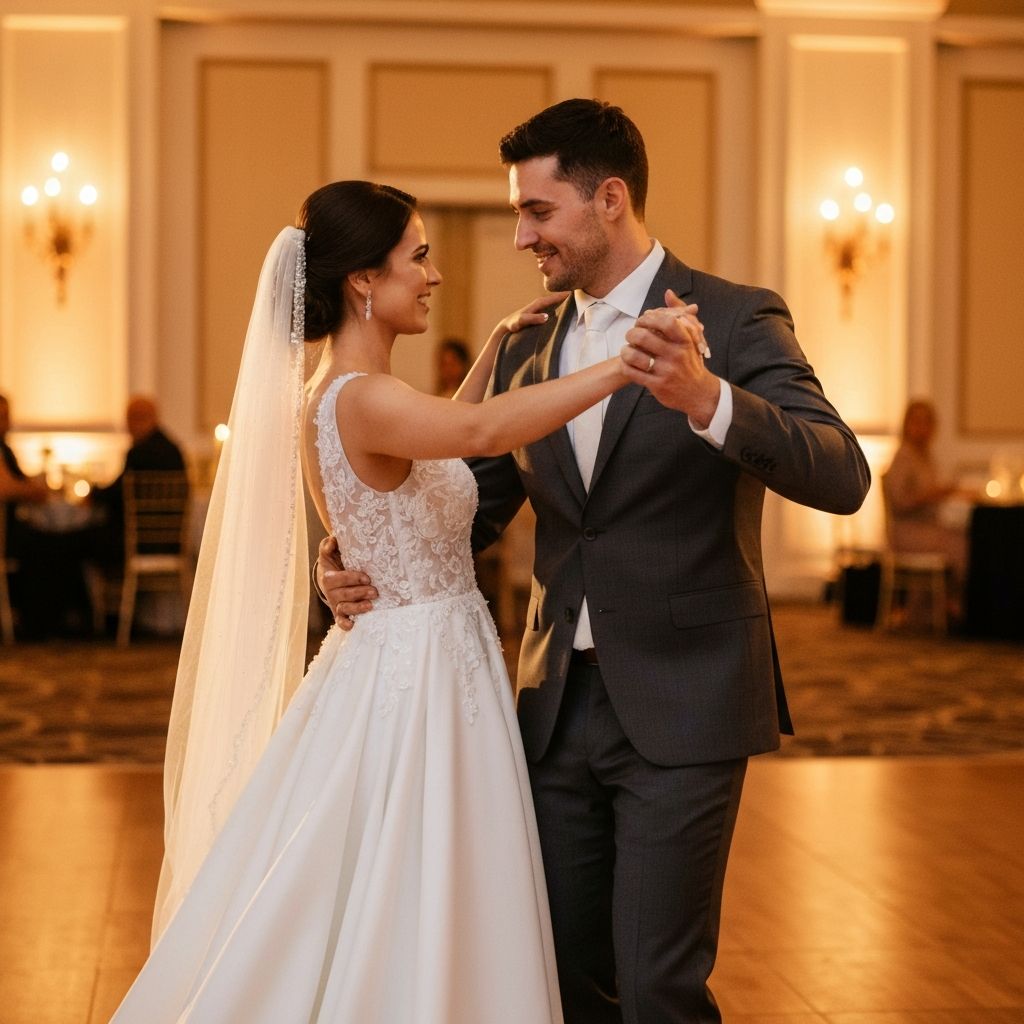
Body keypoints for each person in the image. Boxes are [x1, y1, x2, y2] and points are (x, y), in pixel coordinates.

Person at [319, 99, 871, 1023]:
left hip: (686, 697)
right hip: (547, 710)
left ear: (610, 198)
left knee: (658, 982)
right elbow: (464, 505)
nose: (521, 236)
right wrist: (350, 552)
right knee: (554, 969)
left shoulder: (735, 318)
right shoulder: (530, 341)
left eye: (538, 212)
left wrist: (709, 400)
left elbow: (844, 472)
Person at [111, 180, 638, 1023]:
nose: (433, 277)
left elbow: (431, 455)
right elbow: (474, 438)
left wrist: (492, 348)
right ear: (363, 279)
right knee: (415, 866)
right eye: (418, 258)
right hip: (420, 674)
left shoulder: (340, 393)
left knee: (383, 869)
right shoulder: (364, 398)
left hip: (402, 654)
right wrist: (626, 364)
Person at [882, 398, 971, 608]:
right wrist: (932, 494)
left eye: (927, 422)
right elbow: (900, 501)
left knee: (959, 534)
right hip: (907, 532)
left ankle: (929, 613)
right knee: (960, 545)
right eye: (917, 422)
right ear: (907, 425)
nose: (922, 428)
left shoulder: (925, 457)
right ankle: (955, 605)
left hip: (925, 527)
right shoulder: (904, 457)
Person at [89, 395, 187, 564]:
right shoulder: (173, 450)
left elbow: (117, 493)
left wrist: (92, 495)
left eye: (130, 419)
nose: (128, 426)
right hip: (172, 540)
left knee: (83, 538)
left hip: (137, 541)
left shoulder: (138, 453)